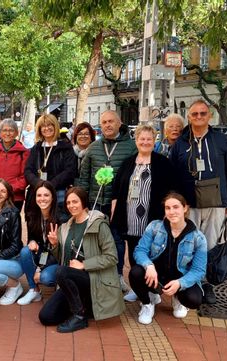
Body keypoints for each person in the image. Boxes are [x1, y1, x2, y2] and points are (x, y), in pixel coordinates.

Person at [169, 99, 227, 304]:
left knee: (209, 245)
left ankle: (205, 283)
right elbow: (173, 175)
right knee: (188, 244)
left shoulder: (221, 140)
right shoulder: (181, 143)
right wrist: (175, 204)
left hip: (216, 201)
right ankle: (188, 282)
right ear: (189, 117)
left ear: (209, 116)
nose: (199, 117)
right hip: (188, 203)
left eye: (202, 113)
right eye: (194, 114)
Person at [38, 187, 124, 333]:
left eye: (75, 201)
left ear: (83, 202)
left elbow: (111, 257)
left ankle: (79, 316)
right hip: (73, 280)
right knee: (46, 317)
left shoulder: (98, 224)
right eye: (68, 202)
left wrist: (84, 264)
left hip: (95, 279)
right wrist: (55, 246)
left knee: (61, 272)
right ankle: (84, 305)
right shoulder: (65, 227)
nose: (71, 205)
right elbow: (64, 261)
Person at [111, 124, 176, 302]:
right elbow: (117, 190)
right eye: (142, 139)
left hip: (153, 219)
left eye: (149, 139)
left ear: (154, 140)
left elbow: (172, 191)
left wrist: (167, 213)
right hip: (131, 219)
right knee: (133, 256)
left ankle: (153, 291)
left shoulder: (162, 163)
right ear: (136, 140)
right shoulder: (128, 162)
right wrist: (114, 212)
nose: (145, 142)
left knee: (153, 256)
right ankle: (138, 288)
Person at [76, 110, 136, 291]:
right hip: (96, 201)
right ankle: (97, 275)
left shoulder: (131, 147)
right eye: (104, 122)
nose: (108, 125)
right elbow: (84, 176)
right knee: (96, 240)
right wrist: (84, 203)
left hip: (119, 204)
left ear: (119, 123)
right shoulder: (94, 147)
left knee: (117, 241)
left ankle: (117, 276)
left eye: (111, 121)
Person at [130, 192, 207, 324]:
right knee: (135, 272)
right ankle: (148, 303)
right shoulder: (154, 227)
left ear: (185, 208)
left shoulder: (198, 238)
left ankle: (177, 297)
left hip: (179, 278)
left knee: (194, 299)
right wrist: (148, 265)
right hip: (155, 277)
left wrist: (180, 283)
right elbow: (140, 250)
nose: (171, 212)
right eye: (168, 208)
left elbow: (199, 270)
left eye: (176, 207)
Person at [24, 114, 77, 221]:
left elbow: (70, 170)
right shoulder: (36, 148)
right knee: (36, 224)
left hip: (59, 192)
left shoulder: (65, 147)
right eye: (43, 126)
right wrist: (39, 184)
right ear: (39, 129)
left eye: (50, 125)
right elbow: (28, 170)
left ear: (55, 126)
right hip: (38, 192)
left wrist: (50, 185)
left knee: (58, 224)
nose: (46, 128)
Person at [16, 181, 60, 306]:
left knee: (45, 277)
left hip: (58, 258)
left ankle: (60, 285)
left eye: (46, 195)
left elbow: (55, 251)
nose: (42, 199)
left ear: (53, 197)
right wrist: (32, 242)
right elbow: (33, 239)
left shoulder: (60, 218)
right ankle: (33, 289)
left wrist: (39, 269)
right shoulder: (33, 216)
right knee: (25, 251)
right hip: (44, 254)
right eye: (39, 195)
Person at [0, 119, 29, 210]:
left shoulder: (23, 152)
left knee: (13, 222)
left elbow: (25, 176)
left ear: (16, 133)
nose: (8, 133)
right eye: (4, 130)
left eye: (11, 130)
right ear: (0, 133)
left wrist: (8, 189)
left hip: (15, 196)